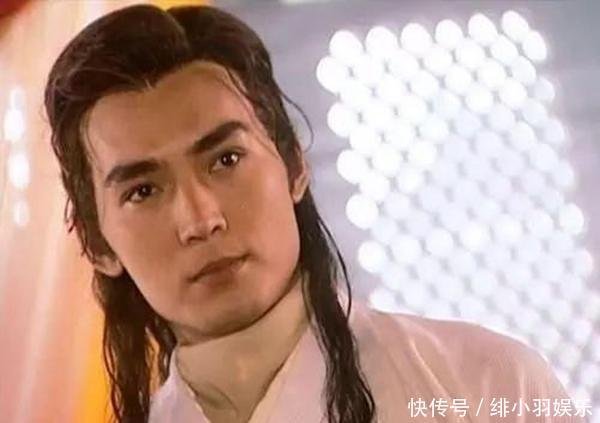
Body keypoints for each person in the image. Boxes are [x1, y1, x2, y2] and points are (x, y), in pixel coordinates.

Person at [44, 4, 583, 423]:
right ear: (96, 243)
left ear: (294, 163)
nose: (201, 219)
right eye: (143, 191)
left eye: (226, 160)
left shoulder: (486, 385)